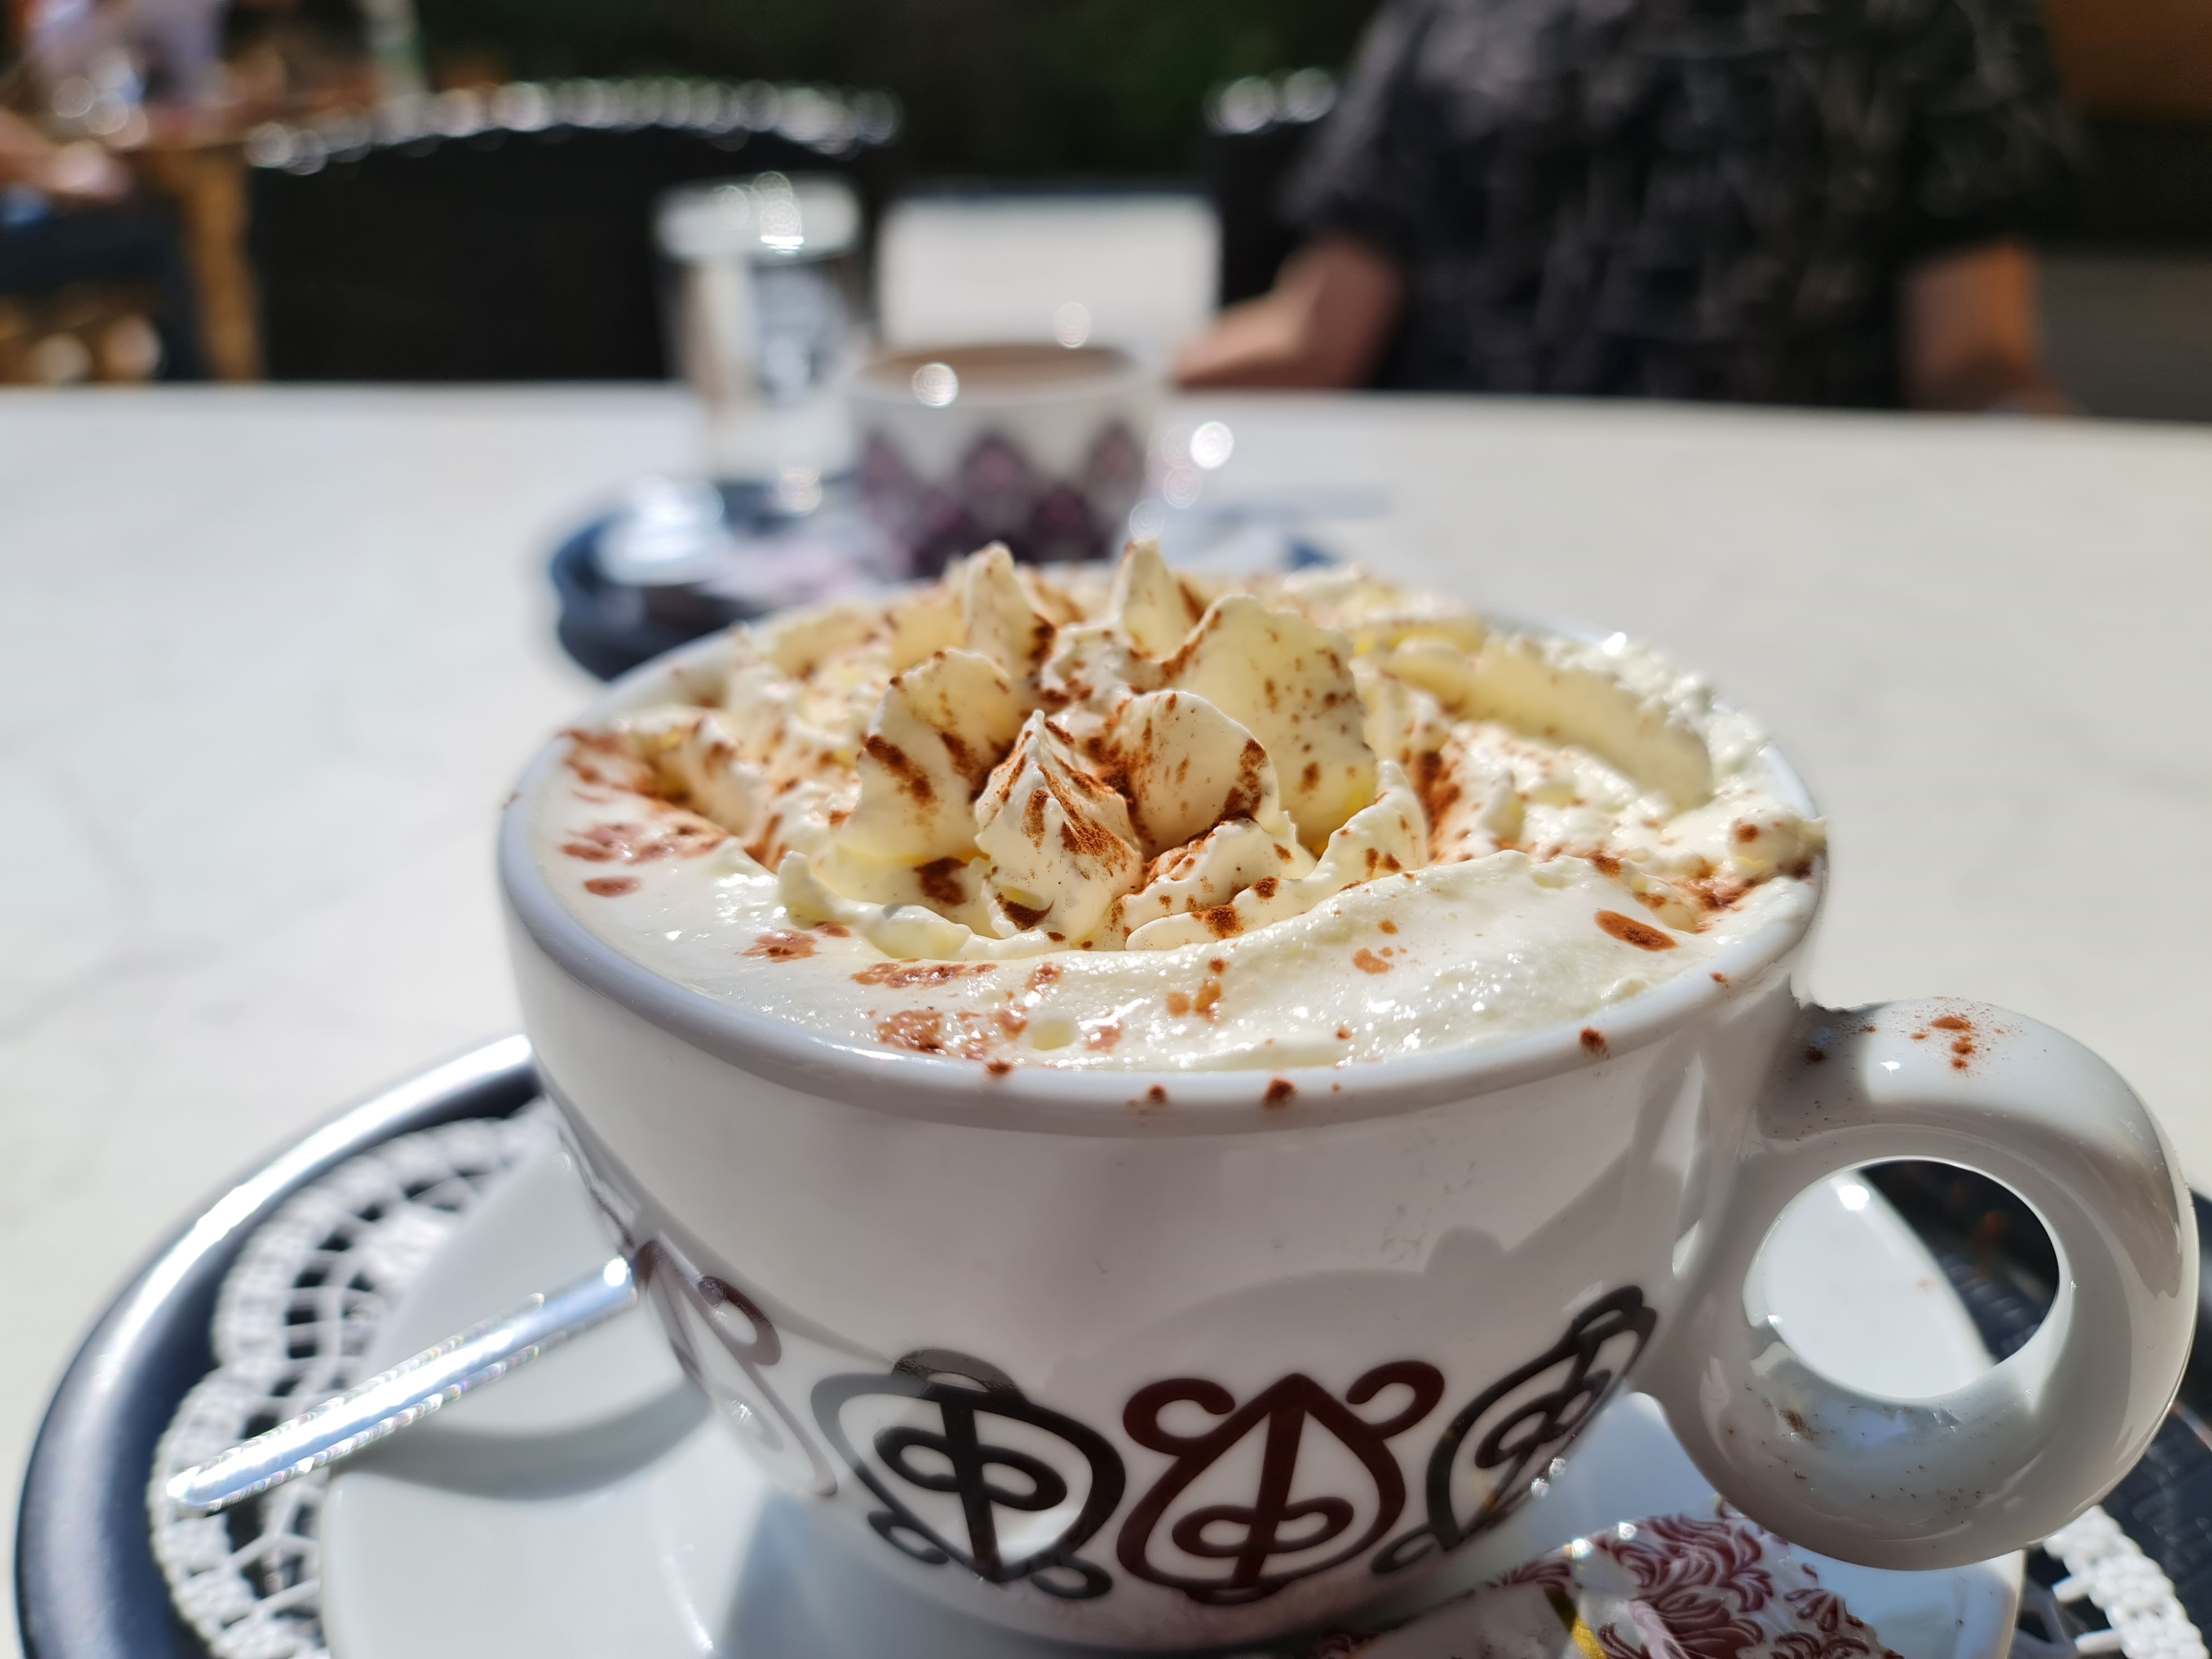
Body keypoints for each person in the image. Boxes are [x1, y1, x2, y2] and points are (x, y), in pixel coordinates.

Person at [1179, 0, 2074, 412]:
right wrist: (1090, 391)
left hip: (1788, 554)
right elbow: (1318, 335)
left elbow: (1972, 360)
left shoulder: (1937, 18)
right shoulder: (1450, 16)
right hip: (1462, 566)